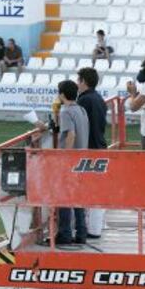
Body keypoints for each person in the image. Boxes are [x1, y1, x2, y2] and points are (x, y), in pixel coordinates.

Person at [55, 79, 90, 245]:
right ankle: (81, 232)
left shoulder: (66, 111)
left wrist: (65, 157)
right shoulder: (81, 109)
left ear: (62, 94)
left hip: (71, 160)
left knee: (64, 198)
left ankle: (65, 234)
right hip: (82, 157)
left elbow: (70, 134)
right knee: (78, 197)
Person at [77, 67, 108, 239]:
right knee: (98, 189)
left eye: (78, 80)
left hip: (88, 149)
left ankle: (90, 228)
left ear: (83, 81)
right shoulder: (99, 99)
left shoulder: (84, 101)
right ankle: (96, 226)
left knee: (86, 190)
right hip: (100, 147)